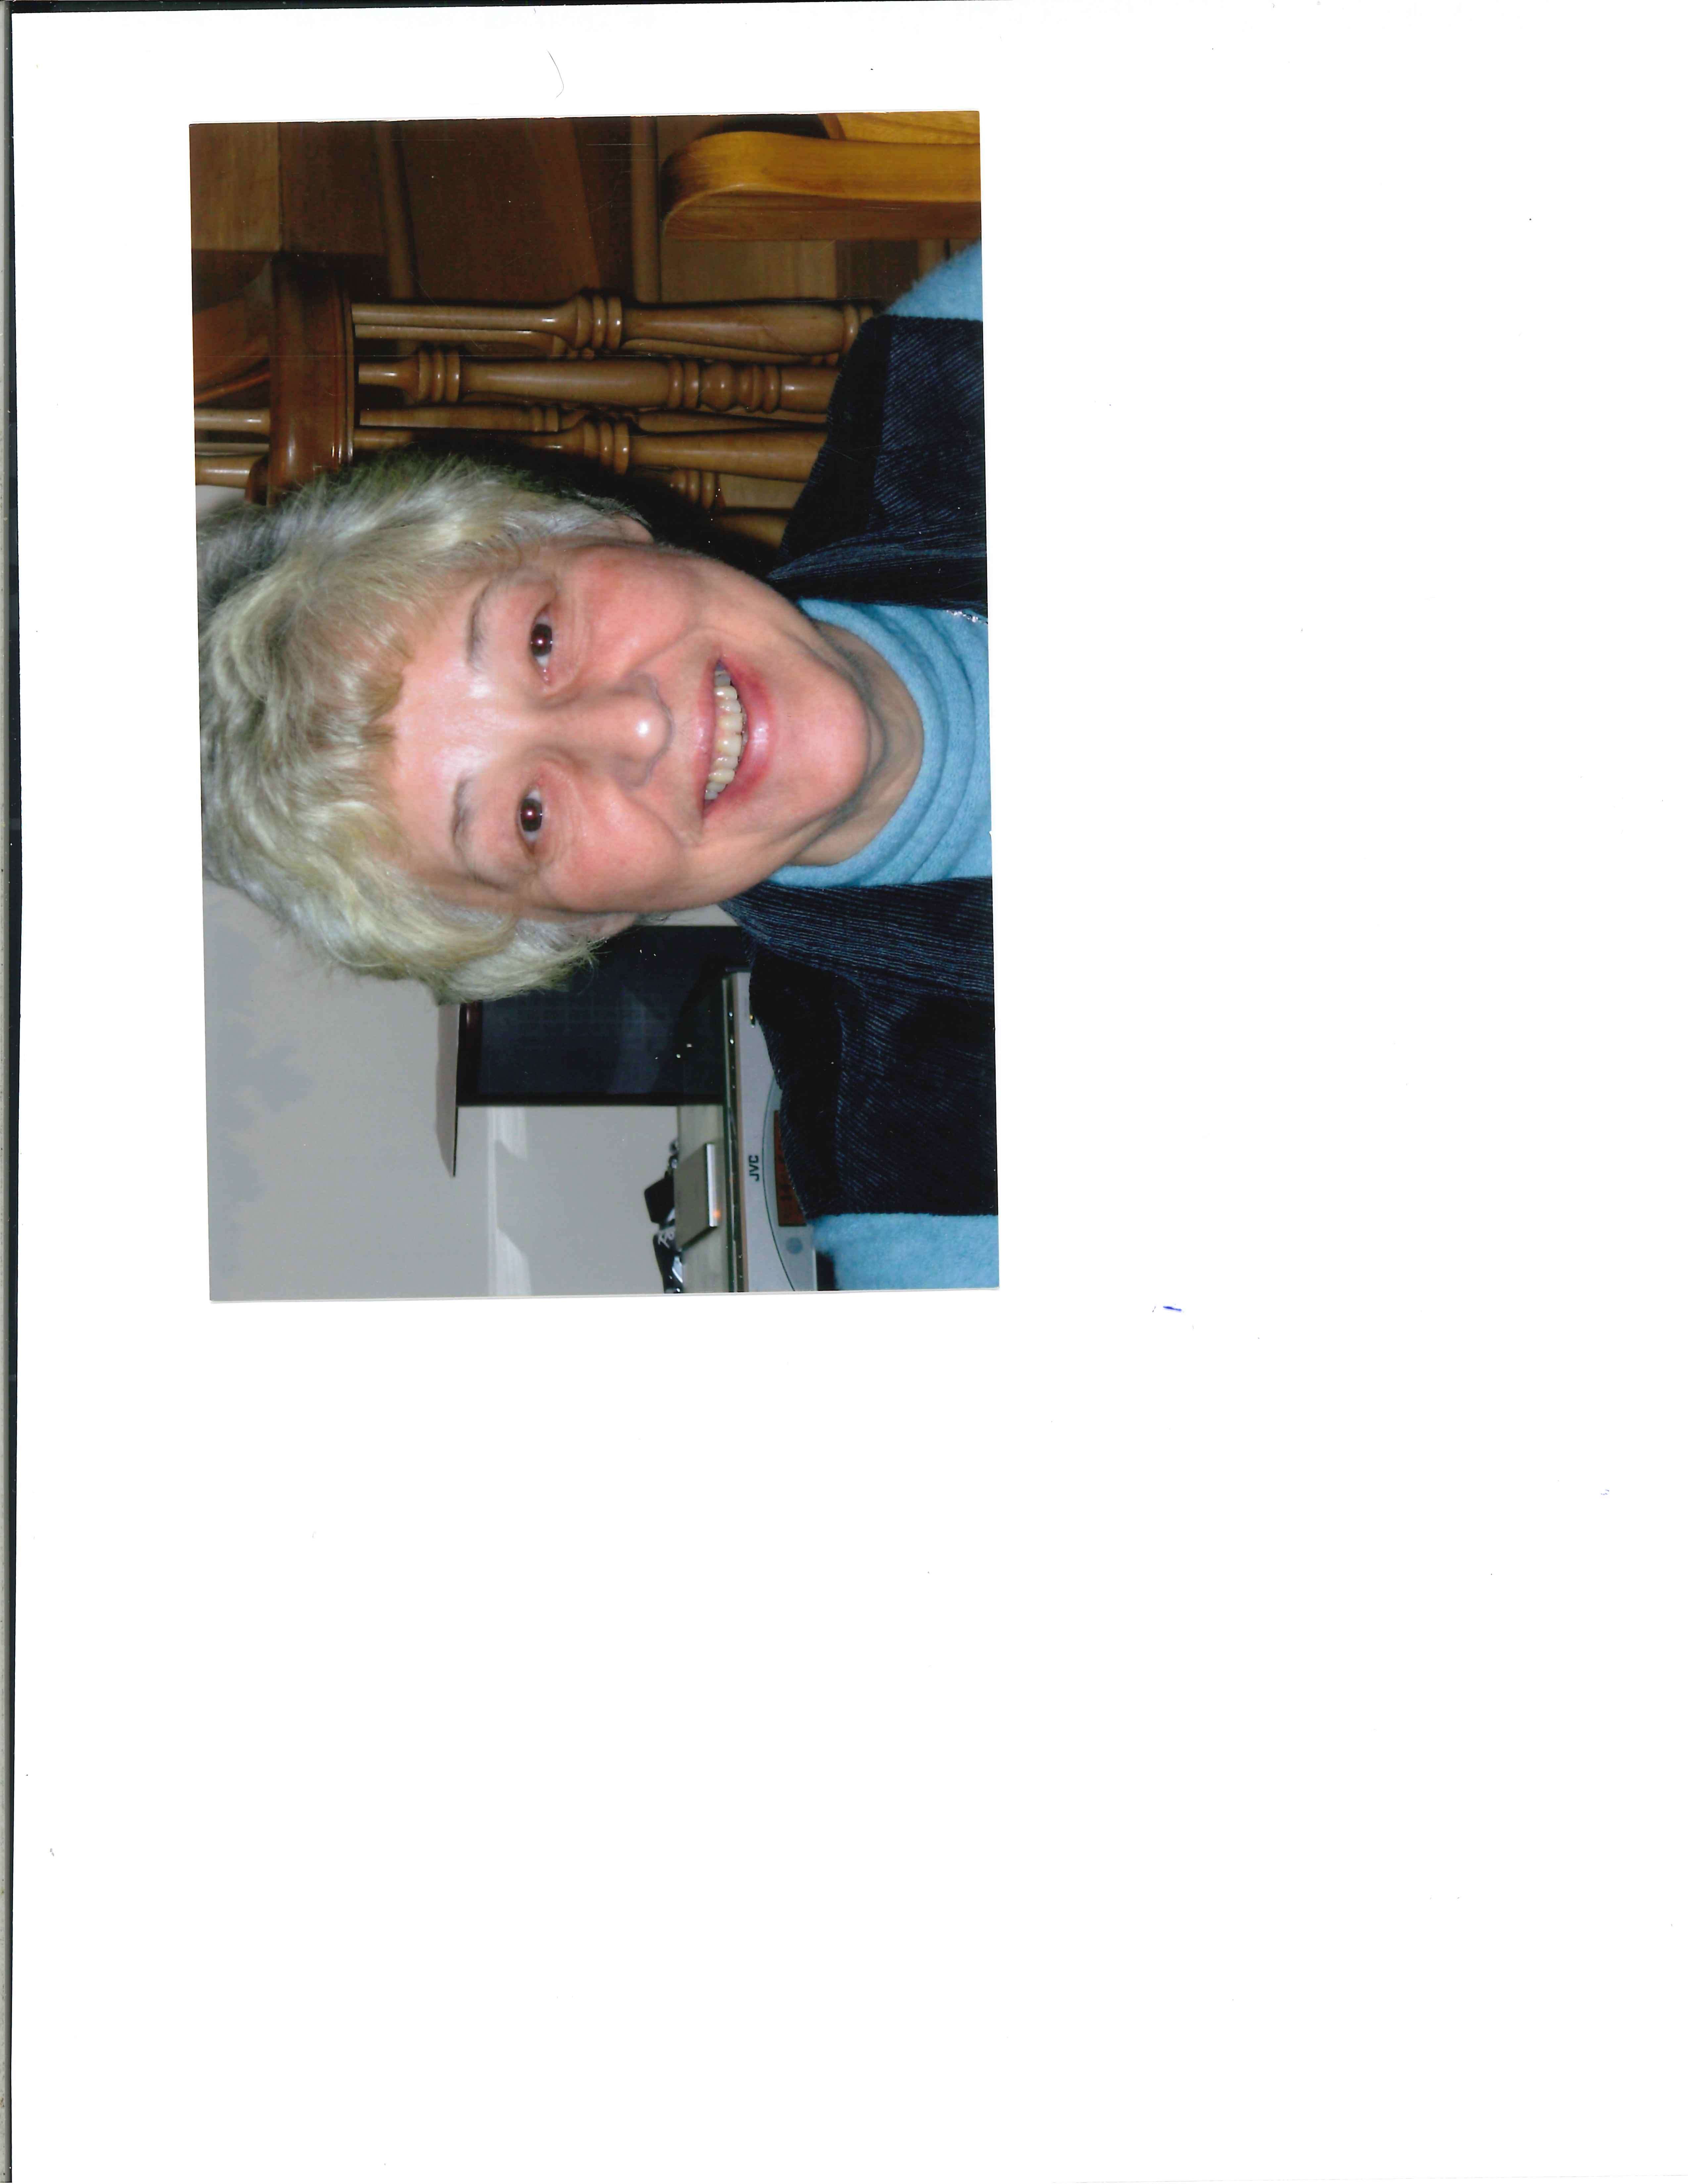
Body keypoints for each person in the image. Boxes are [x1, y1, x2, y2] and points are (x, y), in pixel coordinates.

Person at [200, 245, 993, 1288]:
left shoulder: (961, 358)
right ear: (582, 924)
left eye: (539, 639)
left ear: (600, 531)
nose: (635, 728)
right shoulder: (941, 1211)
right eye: (528, 816)